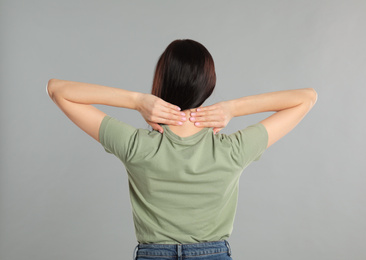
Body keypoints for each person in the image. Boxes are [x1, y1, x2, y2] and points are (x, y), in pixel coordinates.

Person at [47, 39, 317, 260]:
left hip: (153, 255)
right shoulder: (233, 150)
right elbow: (306, 98)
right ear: (208, 84)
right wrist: (232, 108)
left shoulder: (136, 146)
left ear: (161, 81)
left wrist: (137, 100)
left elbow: (57, 90)